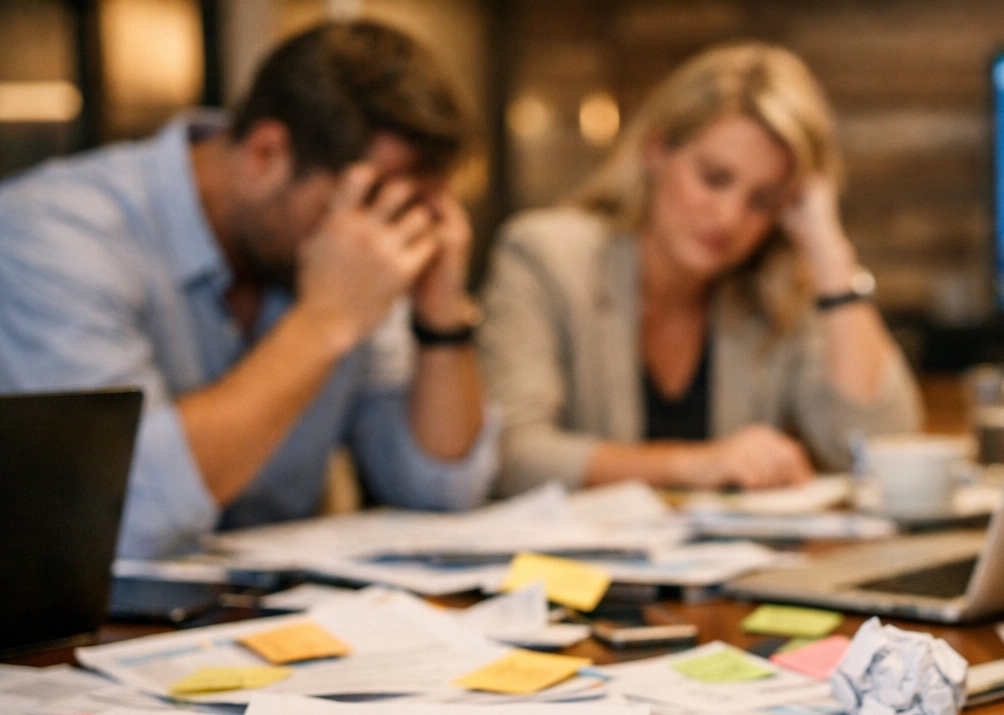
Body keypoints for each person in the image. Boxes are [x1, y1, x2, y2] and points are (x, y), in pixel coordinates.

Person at [0, 21, 496, 558]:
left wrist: (440, 317)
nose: (393, 235)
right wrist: (324, 322)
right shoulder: (54, 233)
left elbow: (441, 493)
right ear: (265, 154)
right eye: (373, 201)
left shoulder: (342, 251)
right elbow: (124, 514)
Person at [477, 42, 922, 496]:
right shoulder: (545, 255)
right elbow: (512, 455)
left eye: (763, 200)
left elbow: (883, 450)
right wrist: (694, 464)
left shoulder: (772, 290)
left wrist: (830, 256)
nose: (729, 218)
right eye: (714, 177)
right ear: (656, 151)